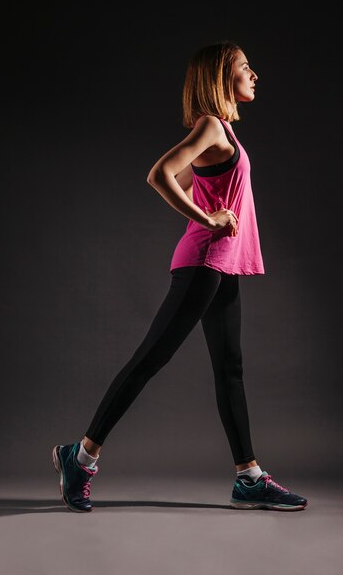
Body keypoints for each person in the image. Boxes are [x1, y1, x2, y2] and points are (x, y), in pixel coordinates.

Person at [52, 41, 308, 512]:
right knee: (150, 358)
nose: (255, 75)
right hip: (203, 260)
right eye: (245, 68)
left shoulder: (223, 132)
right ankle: (80, 457)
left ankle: (248, 477)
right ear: (220, 78)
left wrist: (208, 208)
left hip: (222, 263)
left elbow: (192, 179)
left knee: (230, 369)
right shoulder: (211, 126)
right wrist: (209, 220)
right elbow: (160, 174)